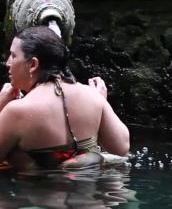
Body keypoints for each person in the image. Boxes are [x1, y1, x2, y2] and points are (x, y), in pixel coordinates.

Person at [0, 26, 130, 170]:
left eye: (13, 56)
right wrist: (101, 104)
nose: (8, 63)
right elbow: (121, 148)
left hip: (33, 192)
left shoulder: (17, 111)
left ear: (32, 64)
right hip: (88, 190)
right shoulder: (92, 95)